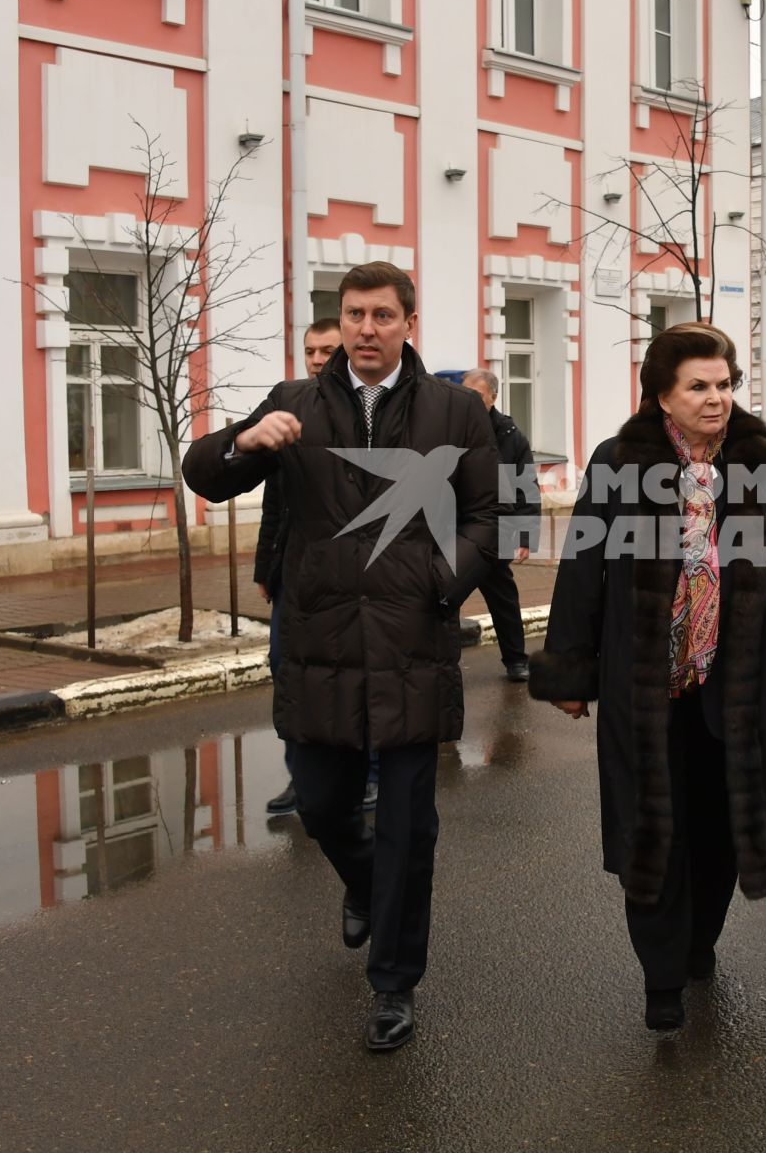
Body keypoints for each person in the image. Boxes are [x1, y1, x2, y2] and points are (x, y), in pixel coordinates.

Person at [183, 261, 498, 1053]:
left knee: (407, 826)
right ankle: (361, 885)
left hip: (409, 642)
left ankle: (394, 984)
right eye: (354, 314)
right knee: (322, 805)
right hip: (320, 639)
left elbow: (490, 512)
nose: (366, 328)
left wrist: (443, 575)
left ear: (407, 323)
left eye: (382, 316)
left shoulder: (454, 411)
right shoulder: (292, 403)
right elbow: (205, 474)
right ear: (340, 319)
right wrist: (243, 440)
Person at [530, 322, 766, 1033]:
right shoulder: (619, 463)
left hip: (743, 688)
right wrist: (572, 667)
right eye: (698, 386)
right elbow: (582, 571)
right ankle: (661, 978)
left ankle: (700, 941)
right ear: (662, 396)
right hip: (650, 689)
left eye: (724, 384)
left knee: (725, 829)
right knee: (653, 831)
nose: (716, 399)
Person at [259, 319, 349, 818]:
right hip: (294, 576)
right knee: (290, 677)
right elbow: (277, 500)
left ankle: (370, 774)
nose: (317, 359)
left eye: (326, 350)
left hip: (350, 578)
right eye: (311, 351)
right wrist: (264, 567)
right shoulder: (289, 408)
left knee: (355, 680)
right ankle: (302, 778)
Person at [461, 368, 538, 683]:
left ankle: (516, 661)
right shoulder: (452, 428)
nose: (469, 400)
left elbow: (526, 488)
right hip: (458, 530)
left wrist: (524, 536)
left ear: (493, 397)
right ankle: (440, 663)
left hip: (495, 531)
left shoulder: (511, 436)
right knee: (442, 598)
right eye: (465, 393)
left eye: (476, 395)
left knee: (504, 600)